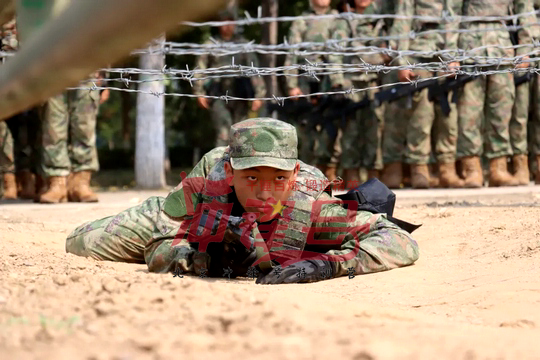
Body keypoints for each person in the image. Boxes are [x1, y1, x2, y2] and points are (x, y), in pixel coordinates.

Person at [65, 118, 419, 284]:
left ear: (294, 174)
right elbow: (159, 245)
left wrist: (326, 265)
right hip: (191, 213)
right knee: (80, 243)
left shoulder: (311, 207)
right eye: (252, 178)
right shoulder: (209, 182)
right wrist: (200, 257)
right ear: (231, 170)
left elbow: (399, 241)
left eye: (279, 179)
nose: (265, 192)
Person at [456, 0, 535, 187]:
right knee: (469, 113)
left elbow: (524, 11)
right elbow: (451, 14)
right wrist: (452, 55)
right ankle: (472, 168)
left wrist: (524, 50)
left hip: (502, 48)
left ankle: (498, 167)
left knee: (502, 110)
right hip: (469, 48)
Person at [389, 0, 464, 189]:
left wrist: (453, 57)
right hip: (418, 54)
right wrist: (403, 61)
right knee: (421, 115)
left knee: (448, 114)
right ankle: (419, 168)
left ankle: (447, 168)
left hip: (445, 54)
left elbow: (454, 21)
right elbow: (403, 21)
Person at [284, 0, 347, 180]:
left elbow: (341, 51)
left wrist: (338, 82)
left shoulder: (338, 19)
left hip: (330, 81)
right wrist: (292, 84)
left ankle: (329, 170)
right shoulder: (302, 20)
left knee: (332, 127)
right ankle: (304, 172)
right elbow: (292, 54)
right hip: (306, 81)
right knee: (306, 128)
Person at [331, 0, 387, 188]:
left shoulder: (380, 20)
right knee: (351, 133)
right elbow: (335, 52)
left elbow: (389, 51)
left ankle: (374, 180)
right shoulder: (345, 21)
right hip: (351, 83)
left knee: (374, 130)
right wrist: (338, 81)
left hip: (374, 83)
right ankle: (352, 180)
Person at [193, 8, 265, 147]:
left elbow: (253, 69)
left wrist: (259, 94)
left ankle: (239, 166)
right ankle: (221, 165)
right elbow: (200, 68)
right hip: (218, 92)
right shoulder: (210, 45)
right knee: (224, 131)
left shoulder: (243, 45)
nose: (227, 25)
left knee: (241, 132)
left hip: (240, 92)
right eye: (224, 22)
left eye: (231, 22)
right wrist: (199, 92)